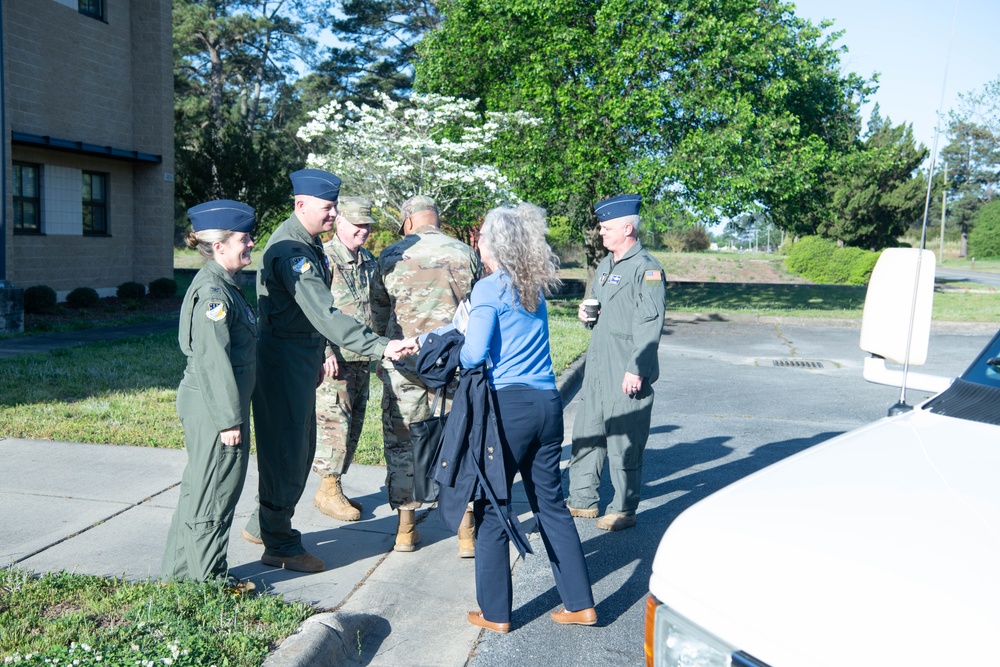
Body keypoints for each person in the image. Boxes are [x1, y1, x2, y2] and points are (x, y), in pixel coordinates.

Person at [242, 169, 417, 573]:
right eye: (327, 207)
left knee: (296, 453)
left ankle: (264, 526)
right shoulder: (292, 251)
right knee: (289, 454)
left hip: (298, 360)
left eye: (335, 206)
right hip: (285, 362)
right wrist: (382, 346)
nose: (333, 213)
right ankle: (280, 543)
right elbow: (325, 313)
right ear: (300, 205)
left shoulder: (307, 243)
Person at [456, 203, 596, 633]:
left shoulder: (488, 289)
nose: (476, 241)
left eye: (480, 236)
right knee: (551, 505)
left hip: (509, 409)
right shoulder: (532, 287)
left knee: (494, 507)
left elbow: (474, 354)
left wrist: (461, 336)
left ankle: (495, 613)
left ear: (490, 243)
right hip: (547, 405)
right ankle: (580, 604)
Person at [370, 195, 481, 554]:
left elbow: (378, 311)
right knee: (458, 439)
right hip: (452, 363)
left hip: (404, 363)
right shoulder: (465, 253)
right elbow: (479, 309)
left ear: (408, 222)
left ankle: (405, 531)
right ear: (436, 219)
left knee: (403, 441)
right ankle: (466, 533)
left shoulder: (390, 255)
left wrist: (383, 351)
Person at [161, 200, 258, 593]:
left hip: (213, 403)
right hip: (215, 406)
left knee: (199, 488)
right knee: (216, 489)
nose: (250, 242)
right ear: (219, 246)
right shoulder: (215, 292)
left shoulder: (224, 284)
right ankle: (209, 581)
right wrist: (228, 421)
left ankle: (182, 573)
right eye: (244, 238)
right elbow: (212, 359)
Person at [566, 194, 667, 531]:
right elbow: (600, 310)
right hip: (597, 363)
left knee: (625, 436)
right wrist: (586, 315)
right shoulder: (607, 265)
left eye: (606, 227)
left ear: (627, 228)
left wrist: (636, 367)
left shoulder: (647, 269)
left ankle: (624, 507)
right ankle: (581, 500)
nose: (600, 232)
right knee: (587, 429)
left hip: (626, 365)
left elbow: (649, 324)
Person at [312, 197, 378, 522]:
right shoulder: (323, 259)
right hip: (335, 358)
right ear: (339, 222)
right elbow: (314, 310)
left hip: (362, 357)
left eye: (367, 225)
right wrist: (324, 351)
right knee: (333, 423)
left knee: (354, 425)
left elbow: (375, 306)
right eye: (357, 224)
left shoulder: (368, 260)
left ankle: (335, 485)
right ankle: (327, 488)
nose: (363, 231)